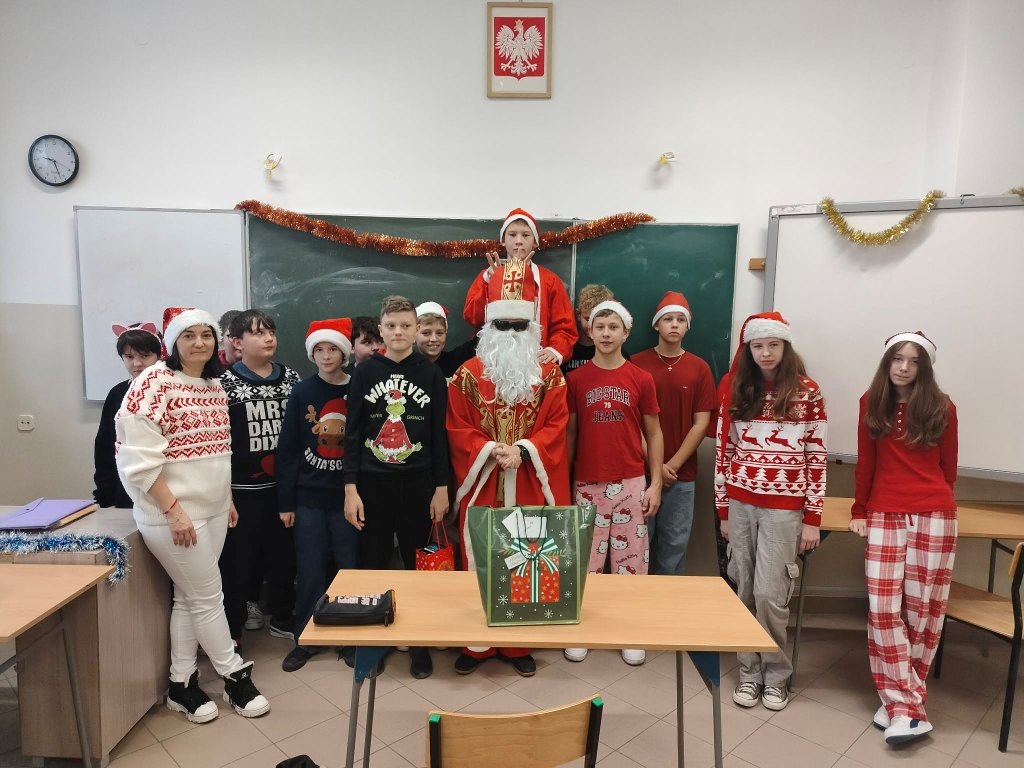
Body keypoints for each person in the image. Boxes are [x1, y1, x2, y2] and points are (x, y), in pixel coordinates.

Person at [115, 307, 270, 722]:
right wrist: (173, 510)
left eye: (206, 334)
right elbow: (137, 461)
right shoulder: (154, 381)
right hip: (172, 514)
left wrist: (226, 499)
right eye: (189, 335)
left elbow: (218, 453)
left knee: (189, 598)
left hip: (213, 508)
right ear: (173, 342)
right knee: (208, 597)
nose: (199, 342)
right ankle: (234, 676)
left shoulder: (214, 386)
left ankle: (181, 684)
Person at [448, 259, 571, 676]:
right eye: (503, 326)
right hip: (484, 481)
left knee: (527, 556)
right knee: (482, 557)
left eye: (520, 326)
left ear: (533, 327)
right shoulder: (466, 375)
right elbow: (457, 425)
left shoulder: (550, 374)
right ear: (488, 328)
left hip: (530, 480)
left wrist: (524, 449)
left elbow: (558, 423)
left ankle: (518, 644)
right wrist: (488, 450)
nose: (512, 334)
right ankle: (477, 644)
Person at [849, 331, 957, 745]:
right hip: (884, 512)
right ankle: (908, 705)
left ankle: (899, 704)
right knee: (883, 610)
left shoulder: (942, 406)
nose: (904, 367)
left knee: (922, 611)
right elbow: (866, 462)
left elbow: (949, 468)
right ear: (887, 361)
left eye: (913, 361)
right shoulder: (870, 402)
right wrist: (860, 511)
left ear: (924, 367)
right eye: (898, 358)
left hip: (934, 513)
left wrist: (931, 505)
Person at [715, 312, 826, 712]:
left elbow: (817, 456)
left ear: (785, 346)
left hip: (785, 510)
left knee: (769, 593)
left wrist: (812, 519)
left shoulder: (808, 392)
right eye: (758, 346)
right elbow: (724, 453)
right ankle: (749, 673)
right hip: (741, 505)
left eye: (773, 345)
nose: (765, 353)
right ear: (749, 349)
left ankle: (776, 675)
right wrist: (723, 511)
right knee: (744, 588)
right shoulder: (735, 388)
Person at [344, 296, 449, 679]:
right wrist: (350, 488)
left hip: (418, 484)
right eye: (392, 326)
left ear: (416, 329)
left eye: (407, 326)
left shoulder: (431, 373)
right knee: (372, 564)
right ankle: (373, 643)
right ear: (381, 330)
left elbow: (438, 435)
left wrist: (442, 487)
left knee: (416, 564)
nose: (399, 332)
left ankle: (419, 644)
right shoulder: (365, 371)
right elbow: (353, 433)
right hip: (372, 484)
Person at [564, 300, 662, 666]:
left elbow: (654, 433)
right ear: (589, 331)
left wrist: (655, 484)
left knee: (630, 563)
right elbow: (571, 434)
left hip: (631, 483)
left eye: (613, 327)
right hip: (587, 484)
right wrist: (565, 482)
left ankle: (628, 631)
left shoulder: (641, 378)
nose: (606, 333)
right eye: (600, 326)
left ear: (626, 332)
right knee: (585, 562)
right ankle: (583, 630)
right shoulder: (576, 380)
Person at [277, 318, 357, 672]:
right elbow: (289, 449)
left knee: (349, 570)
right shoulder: (302, 392)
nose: (326, 356)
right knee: (309, 572)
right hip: (308, 500)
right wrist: (286, 502)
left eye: (333, 349)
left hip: (347, 500)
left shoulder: (358, 388)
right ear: (312, 354)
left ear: (344, 352)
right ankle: (307, 639)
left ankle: (352, 638)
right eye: (319, 350)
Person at [219, 310, 301, 650]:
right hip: (242, 493)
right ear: (237, 343)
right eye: (258, 333)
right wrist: (225, 496)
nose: (268, 338)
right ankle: (233, 630)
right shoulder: (224, 384)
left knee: (283, 559)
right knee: (239, 564)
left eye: (271, 332)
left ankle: (282, 618)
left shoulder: (291, 378)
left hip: (282, 491)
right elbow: (219, 445)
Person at [631, 291, 716, 576]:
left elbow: (701, 423)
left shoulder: (700, 368)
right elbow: (631, 420)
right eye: (668, 319)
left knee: (674, 549)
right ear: (656, 324)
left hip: (681, 475)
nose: (674, 324)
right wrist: (655, 465)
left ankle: (668, 601)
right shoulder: (636, 364)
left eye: (681, 319)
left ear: (688, 326)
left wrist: (672, 466)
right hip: (639, 472)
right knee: (636, 547)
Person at [463, 208, 577, 365]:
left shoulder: (549, 281)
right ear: (503, 240)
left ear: (535, 242)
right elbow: (473, 318)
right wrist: (489, 282)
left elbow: (564, 327)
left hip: (537, 365)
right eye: (512, 235)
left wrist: (554, 350)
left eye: (525, 235)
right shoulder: (488, 277)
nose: (518, 241)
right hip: (493, 365)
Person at [94, 322, 161, 509]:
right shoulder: (117, 393)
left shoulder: (171, 390)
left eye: (145, 356)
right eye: (129, 357)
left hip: (166, 492)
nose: (137, 364)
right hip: (126, 494)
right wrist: (104, 495)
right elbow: (104, 448)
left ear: (159, 355)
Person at [415, 301, 477, 379]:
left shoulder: (455, 361)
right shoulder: (406, 366)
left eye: (439, 333)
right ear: (414, 335)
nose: (434, 339)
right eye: (426, 333)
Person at [561, 284, 614, 375]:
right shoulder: (564, 351)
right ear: (578, 314)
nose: (593, 326)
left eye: (599, 321)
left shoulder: (616, 354)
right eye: (588, 319)